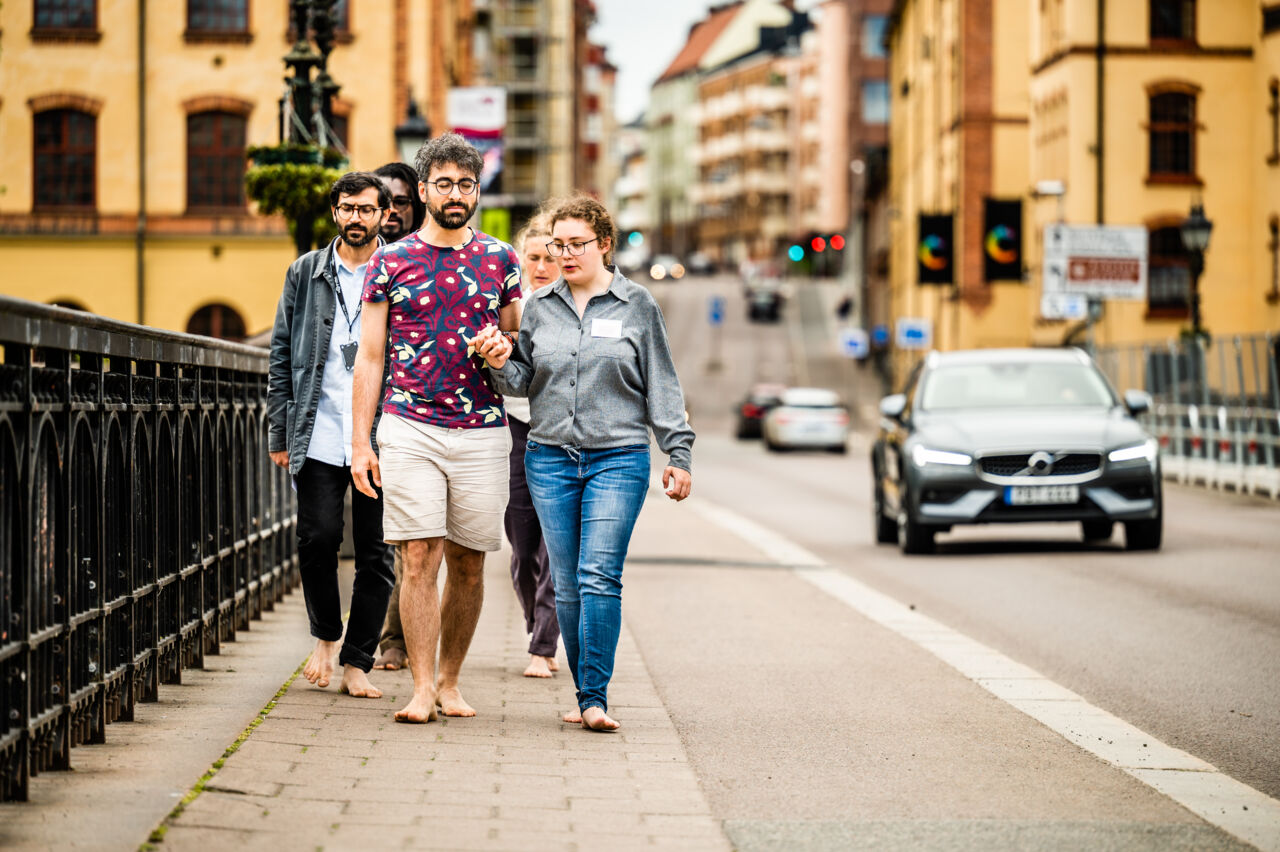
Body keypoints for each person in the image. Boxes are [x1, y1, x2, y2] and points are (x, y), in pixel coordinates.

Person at [475, 196, 694, 732]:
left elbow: (662, 385)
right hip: (548, 459)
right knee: (568, 582)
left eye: (577, 245)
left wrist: (678, 452)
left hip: (618, 458)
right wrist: (499, 362)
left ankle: (594, 696)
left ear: (604, 246)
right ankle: (582, 691)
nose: (565, 255)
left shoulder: (636, 306)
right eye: (557, 245)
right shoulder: (541, 307)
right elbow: (523, 383)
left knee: (599, 576)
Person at [350, 133, 523, 723]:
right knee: (419, 556)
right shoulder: (389, 261)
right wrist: (360, 443)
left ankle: (450, 681)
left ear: (478, 190)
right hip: (409, 424)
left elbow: (520, 350)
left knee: (469, 562)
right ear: (421, 190)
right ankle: (421, 688)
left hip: (481, 428)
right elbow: (369, 357)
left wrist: (504, 347)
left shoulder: (501, 260)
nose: (456, 194)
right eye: (444, 183)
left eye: (466, 184)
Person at [266, 171, 396, 699]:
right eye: (347, 208)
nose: (356, 218)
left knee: (376, 553)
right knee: (317, 538)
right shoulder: (305, 272)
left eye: (366, 209)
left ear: (384, 214)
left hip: (383, 433)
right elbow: (279, 353)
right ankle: (324, 635)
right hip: (317, 430)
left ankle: (357, 662)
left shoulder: (400, 269)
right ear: (335, 212)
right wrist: (279, 430)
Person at [369, 160, 427, 673]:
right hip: (362, 412)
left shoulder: (428, 261)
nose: (389, 212)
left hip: (412, 412)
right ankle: (364, 641)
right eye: (380, 202)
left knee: (409, 536)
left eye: (400, 202)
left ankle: (396, 639)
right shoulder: (356, 260)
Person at [505, 213, 561, 678]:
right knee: (523, 548)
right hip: (515, 430)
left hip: (561, 435)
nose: (541, 266)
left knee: (557, 548)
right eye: (534, 257)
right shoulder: (510, 305)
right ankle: (534, 620)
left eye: (550, 257)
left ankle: (544, 644)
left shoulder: (572, 307)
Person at [374, 161, 426, 245]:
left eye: (400, 202)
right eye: (383, 201)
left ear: (417, 206)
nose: (391, 209)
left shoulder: (432, 256)